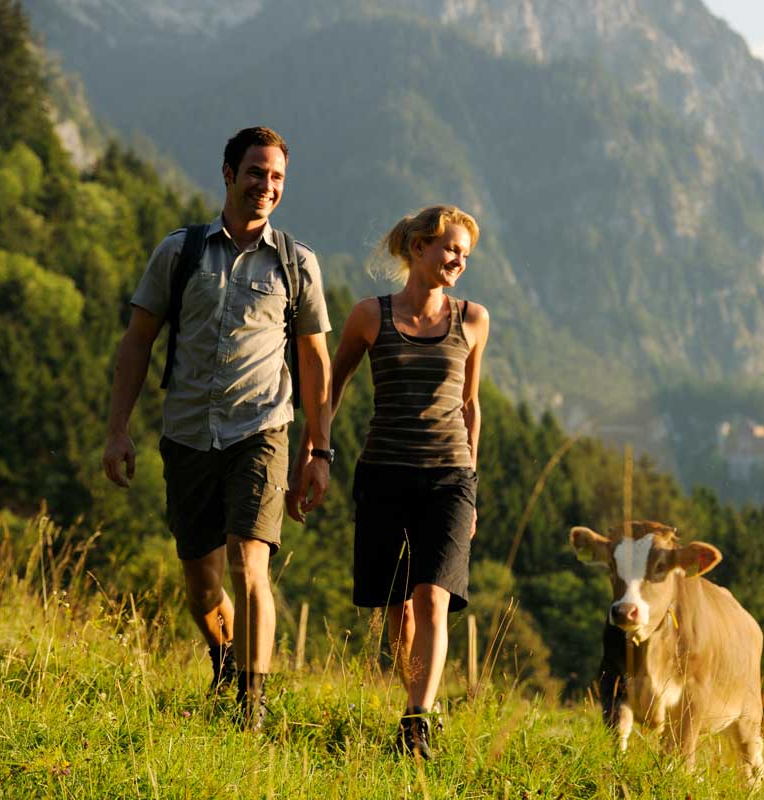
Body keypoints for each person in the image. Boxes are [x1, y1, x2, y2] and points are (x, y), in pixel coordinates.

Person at [101, 126, 333, 730]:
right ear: (228, 174)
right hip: (185, 435)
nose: (267, 185)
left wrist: (319, 450)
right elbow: (137, 343)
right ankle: (226, 662)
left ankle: (251, 708)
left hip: (261, 431)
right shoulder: (179, 252)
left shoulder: (297, 263)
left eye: (277, 176)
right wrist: (117, 428)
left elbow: (315, 364)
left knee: (247, 562)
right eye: (256, 172)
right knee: (202, 587)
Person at [291, 205, 488, 759]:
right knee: (398, 608)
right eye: (451, 249)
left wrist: (472, 484)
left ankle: (416, 722)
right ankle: (421, 702)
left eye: (465, 254)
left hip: (449, 478)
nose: (458, 261)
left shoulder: (473, 319)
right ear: (419, 247)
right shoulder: (368, 316)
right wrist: (316, 453)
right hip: (383, 474)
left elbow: (471, 407)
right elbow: (330, 389)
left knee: (432, 598)